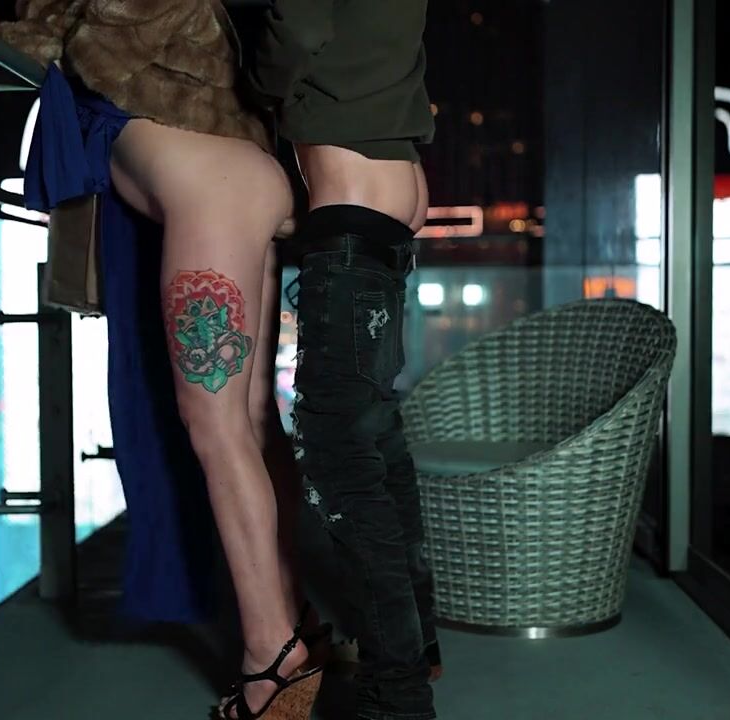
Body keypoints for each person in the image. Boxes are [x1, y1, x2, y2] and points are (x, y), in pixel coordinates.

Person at [0, 1, 323, 717]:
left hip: (211, 191)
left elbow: (37, 38)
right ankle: (296, 618)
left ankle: (272, 659)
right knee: (253, 422)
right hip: (245, 168)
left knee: (217, 428)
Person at [246, 1, 442, 718]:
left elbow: (296, 31)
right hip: (383, 201)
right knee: (375, 443)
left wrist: (256, 84)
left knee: (341, 459)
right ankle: (416, 649)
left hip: (354, 218)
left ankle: (398, 695)